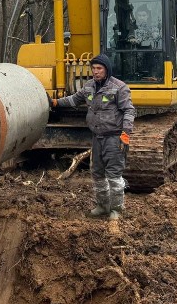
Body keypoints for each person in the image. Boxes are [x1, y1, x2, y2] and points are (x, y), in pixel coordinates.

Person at [51, 54, 135, 220]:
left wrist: (126, 133)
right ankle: (102, 205)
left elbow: (129, 110)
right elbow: (74, 100)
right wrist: (55, 103)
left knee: (114, 174)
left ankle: (116, 209)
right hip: (97, 137)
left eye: (99, 69)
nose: (96, 72)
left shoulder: (119, 87)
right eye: (94, 68)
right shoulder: (89, 86)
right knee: (97, 173)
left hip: (114, 137)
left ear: (106, 70)